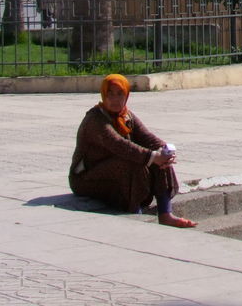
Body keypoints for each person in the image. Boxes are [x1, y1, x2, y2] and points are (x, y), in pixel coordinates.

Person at [69, 74, 195, 228]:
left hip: (114, 173)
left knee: (159, 158)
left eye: (120, 94)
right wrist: (152, 156)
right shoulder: (95, 119)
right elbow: (120, 145)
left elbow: (147, 137)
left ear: (127, 95)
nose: (115, 99)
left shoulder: (126, 116)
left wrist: (164, 151)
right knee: (133, 161)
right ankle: (135, 212)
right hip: (86, 179)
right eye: (110, 94)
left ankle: (165, 213)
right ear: (103, 95)